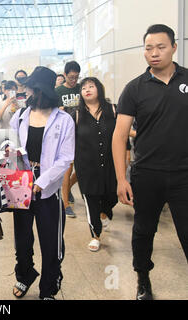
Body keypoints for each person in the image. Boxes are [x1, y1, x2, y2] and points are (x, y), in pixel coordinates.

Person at [112, 24, 188, 300]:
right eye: (148, 48)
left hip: (184, 176)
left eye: (161, 47)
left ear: (174, 47)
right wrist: (122, 179)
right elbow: (119, 136)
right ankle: (142, 279)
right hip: (146, 174)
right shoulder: (134, 89)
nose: (154, 53)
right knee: (143, 231)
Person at [9, 66, 75, 300]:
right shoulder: (19, 116)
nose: (27, 93)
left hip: (48, 192)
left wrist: (42, 181)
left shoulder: (64, 120)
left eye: (30, 88)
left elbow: (65, 158)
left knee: (51, 243)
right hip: (20, 186)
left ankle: (49, 287)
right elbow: (12, 149)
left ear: (42, 90)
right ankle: (24, 275)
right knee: (22, 240)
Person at [72, 77, 118, 252]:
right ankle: (95, 235)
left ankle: (105, 212)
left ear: (99, 89)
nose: (87, 90)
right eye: (83, 88)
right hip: (86, 166)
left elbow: (121, 133)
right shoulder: (76, 114)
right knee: (91, 200)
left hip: (110, 163)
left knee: (112, 195)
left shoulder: (112, 110)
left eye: (91, 86)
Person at [56, 60, 81, 218]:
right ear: (65, 75)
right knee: (68, 168)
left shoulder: (81, 88)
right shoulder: (58, 91)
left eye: (76, 77)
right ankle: (65, 204)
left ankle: (68, 187)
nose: (74, 80)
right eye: (71, 77)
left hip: (83, 134)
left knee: (82, 169)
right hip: (66, 135)